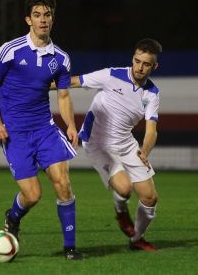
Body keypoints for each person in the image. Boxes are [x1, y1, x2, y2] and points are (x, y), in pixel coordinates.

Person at [0, 0, 83, 260]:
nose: (43, 20)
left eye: (47, 15)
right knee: (33, 194)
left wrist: (71, 126)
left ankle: (70, 248)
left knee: (63, 183)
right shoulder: (11, 50)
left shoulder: (61, 58)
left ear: (53, 19)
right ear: (28, 19)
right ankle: (13, 216)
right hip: (15, 133)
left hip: (45, 129)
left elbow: (63, 95)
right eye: (37, 15)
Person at [54, 38, 162, 250]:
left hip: (127, 144)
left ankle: (136, 239)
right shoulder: (111, 75)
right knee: (124, 188)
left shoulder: (152, 93)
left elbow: (152, 130)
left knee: (150, 197)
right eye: (137, 61)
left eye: (146, 64)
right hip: (97, 143)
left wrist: (145, 151)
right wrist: (33, 87)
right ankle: (121, 211)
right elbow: (73, 81)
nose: (139, 67)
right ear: (132, 58)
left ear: (154, 66)